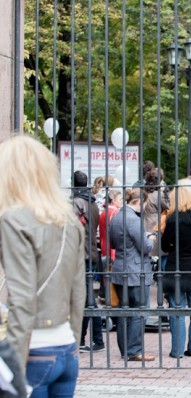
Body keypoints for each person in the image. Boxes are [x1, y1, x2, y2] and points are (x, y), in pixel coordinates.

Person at [0, 135, 85, 397]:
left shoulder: (13, 219)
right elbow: (78, 294)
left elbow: (23, 299)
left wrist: (11, 368)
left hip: (32, 351)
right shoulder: (68, 221)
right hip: (66, 350)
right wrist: (72, 346)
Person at [109, 188, 156, 361]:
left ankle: (125, 349)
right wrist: (150, 239)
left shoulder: (116, 217)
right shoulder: (133, 219)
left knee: (124, 311)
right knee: (139, 310)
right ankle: (134, 350)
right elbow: (145, 247)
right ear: (138, 202)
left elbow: (113, 243)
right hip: (136, 271)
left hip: (120, 268)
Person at [160, 187, 191, 359]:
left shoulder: (173, 220)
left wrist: (173, 245)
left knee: (177, 310)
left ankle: (177, 351)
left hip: (177, 269)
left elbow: (165, 246)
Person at [72, 170, 105, 353]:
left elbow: (71, 228)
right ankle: (83, 338)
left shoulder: (77, 202)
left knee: (87, 299)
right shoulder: (92, 202)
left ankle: (96, 338)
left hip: (81, 254)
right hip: (90, 252)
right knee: (85, 298)